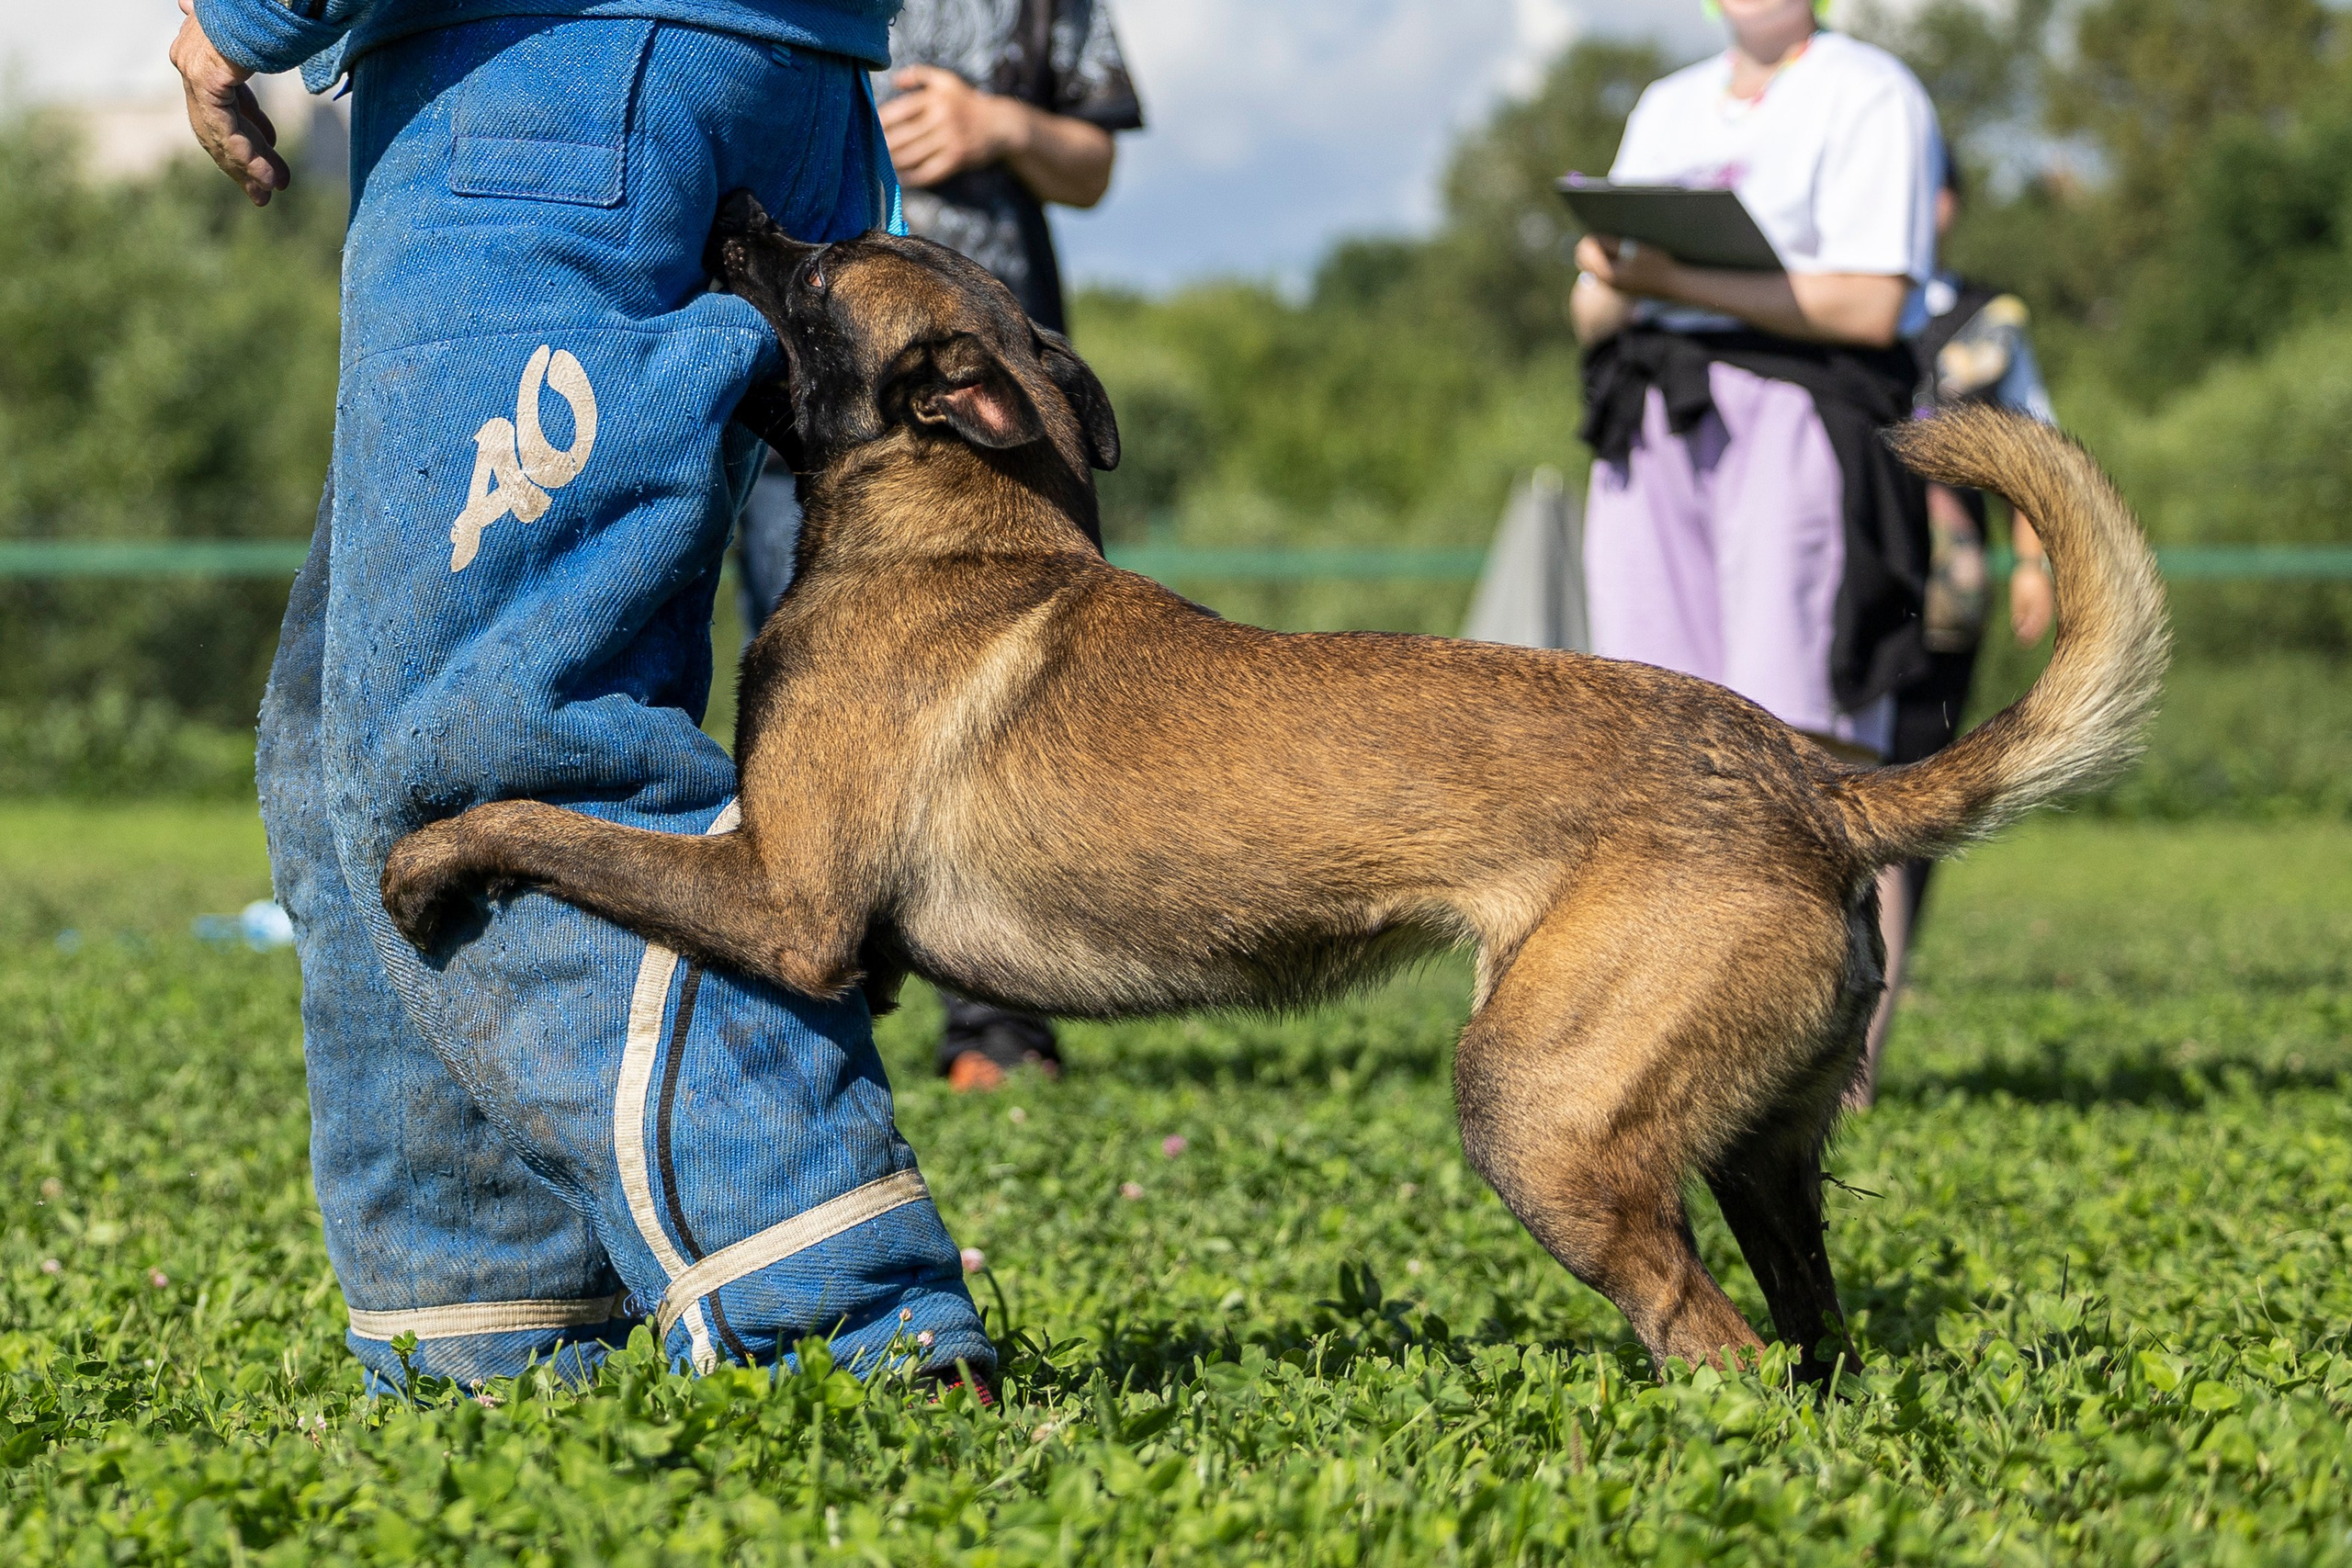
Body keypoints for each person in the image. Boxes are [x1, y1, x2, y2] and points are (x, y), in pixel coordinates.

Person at [173, 0, 993, 1390]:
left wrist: (245, 13)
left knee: (492, 737)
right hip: (743, 74)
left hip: (557, 78)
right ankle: (492, 1319)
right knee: (350, 719)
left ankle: (846, 1313)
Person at [737, 0, 1144, 1095]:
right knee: (805, 680)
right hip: (806, 355)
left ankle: (997, 1026)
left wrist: (998, 127)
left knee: (1012, 710)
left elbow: (1093, 162)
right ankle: (816, 1005)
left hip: (984, 398)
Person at [1572, 0, 1944, 764]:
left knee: (1799, 738)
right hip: (1653, 410)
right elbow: (1592, 313)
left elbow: (1872, 304)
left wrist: (1678, 279)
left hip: (1799, 412)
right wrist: (1609, 273)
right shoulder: (1666, 105)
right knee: (1648, 733)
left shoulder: (1872, 91)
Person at [1848, 156, 2058, 1107]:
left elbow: (2032, 439)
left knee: (1908, 792)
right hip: (1836, 563)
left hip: (1939, 586)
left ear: (1948, 203)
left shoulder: (1982, 320)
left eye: (1926, 184)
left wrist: (2039, 559)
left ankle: (1863, 1041)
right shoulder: (1833, 289)